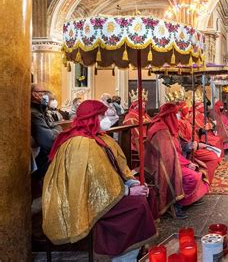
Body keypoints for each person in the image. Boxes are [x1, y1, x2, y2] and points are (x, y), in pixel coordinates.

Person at [42, 100, 157, 260]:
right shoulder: (80, 143)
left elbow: (118, 166)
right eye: (102, 115)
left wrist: (132, 182)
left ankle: (136, 249)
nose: (106, 118)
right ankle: (122, 255)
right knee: (137, 206)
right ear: (92, 118)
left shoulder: (100, 138)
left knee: (147, 194)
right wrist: (128, 191)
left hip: (109, 190)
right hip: (85, 198)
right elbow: (95, 182)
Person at [145, 103, 209, 218]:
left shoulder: (167, 126)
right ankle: (177, 203)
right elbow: (168, 157)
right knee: (192, 177)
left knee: (199, 170)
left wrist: (191, 147)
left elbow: (177, 147)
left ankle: (187, 198)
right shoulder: (160, 131)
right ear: (169, 116)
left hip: (175, 161)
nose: (177, 117)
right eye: (175, 114)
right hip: (161, 167)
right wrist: (187, 163)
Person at [177, 102, 222, 183]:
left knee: (215, 151)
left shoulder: (185, 120)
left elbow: (196, 129)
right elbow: (183, 143)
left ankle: (206, 179)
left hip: (196, 143)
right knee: (213, 157)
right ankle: (206, 180)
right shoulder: (181, 122)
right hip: (191, 150)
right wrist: (197, 145)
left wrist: (204, 128)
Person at [31, 84, 62, 181]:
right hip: (40, 158)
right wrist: (57, 130)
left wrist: (56, 130)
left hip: (44, 154)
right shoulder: (34, 113)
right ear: (35, 95)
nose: (46, 95)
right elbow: (49, 141)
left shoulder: (43, 110)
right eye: (43, 92)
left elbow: (57, 126)